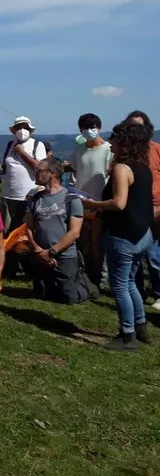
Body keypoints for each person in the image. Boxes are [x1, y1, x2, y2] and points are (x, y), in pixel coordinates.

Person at [83, 122, 155, 350]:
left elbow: (119, 203)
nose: (110, 141)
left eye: (114, 137)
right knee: (130, 282)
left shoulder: (121, 169)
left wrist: (91, 203)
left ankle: (127, 335)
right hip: (142, 234)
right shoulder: (143, 168)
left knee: (120, 286)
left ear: (124, 142)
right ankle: (141, 327)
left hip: (123, 235)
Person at [24, 158, 90, 305]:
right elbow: (28, 227)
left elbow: (74, 232)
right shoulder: (35, 199)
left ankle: (85, 286)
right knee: (43, 295)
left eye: (39, 171)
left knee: (68, 298)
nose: (35, 174)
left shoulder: (71, 198)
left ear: (52, 173)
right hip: (41, 254)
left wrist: (52, 252)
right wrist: (38, 250)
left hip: (64, 255)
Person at [69, 113, 113, 289]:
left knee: (98, 243)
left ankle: (102, 278)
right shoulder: (78, 150)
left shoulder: (108, 150)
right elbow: (75, 170)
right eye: (85, 128)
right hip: (81, 201)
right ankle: (88, 275)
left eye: (92, 127)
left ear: (99, 128)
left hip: (100, 203)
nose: (89, 131)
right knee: (84, 242)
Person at [124, 111, 160, 309]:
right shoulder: (126, 154)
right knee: (134, 254)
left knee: (155, 255)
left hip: (157, 209)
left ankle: (158, 292)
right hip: (134, 210)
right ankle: (137, 291)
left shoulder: (157, 150)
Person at [1, 116, 47, 233]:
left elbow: (40, 167)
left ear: (30, 130)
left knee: (26, 229)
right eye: (19, 127)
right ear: (14, 130)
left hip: (29, 195)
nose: (22, 131)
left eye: (25, 127)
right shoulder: (10, 145)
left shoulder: (37, 145)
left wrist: (22, 152)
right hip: (8, 195)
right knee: (7, 229)